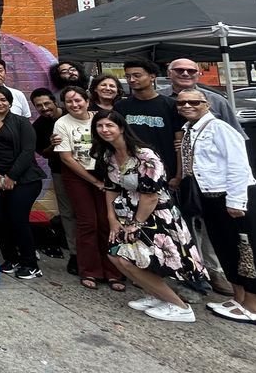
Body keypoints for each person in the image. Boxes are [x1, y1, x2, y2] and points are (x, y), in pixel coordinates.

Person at [93, 109, 206, 323]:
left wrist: (136, 224)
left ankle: (180, 307)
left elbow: (151, 196)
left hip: (154, 216)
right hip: (127, 214)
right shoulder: (109, 155)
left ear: (121, 128)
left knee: (129, 259)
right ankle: (158, 296)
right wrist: (111, 218)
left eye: (109, 125)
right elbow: (111, 187)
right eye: (100, 126)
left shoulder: (145, 155)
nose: (104, 130)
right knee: (117, 255)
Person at [174, 90, 256, 325]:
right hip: (210, 197)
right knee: (225, 248)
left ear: (206, 104)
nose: (187, 105)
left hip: (233, 196)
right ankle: (239, 299)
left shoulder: (221, 128)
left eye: (194, 102)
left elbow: (238, 166)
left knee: (245, 251)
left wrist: (236, 201)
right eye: (182, 102)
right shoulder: (189, 130)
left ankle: (255, 307)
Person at [161, 57, 243, 296]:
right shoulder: (165, 100)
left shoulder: (216, 100)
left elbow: (237, 141)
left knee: (213, 228)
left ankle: (213, 270)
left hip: (214, 181)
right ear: (169, 73)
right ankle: (191, 269)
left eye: (190, 70)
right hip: (179, 176)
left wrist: (238, 190)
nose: (185, 73)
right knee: (184, 225)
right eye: (179, 70)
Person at [53, 86, 124, 291]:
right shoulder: (62, 123)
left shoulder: (100, 119)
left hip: (106, 173)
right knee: (87, 222)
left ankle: (114, 271)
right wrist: (94, 182)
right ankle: (90, 270)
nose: (75, 105)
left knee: (108, 222)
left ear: (87, 100)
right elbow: (66, 158)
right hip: (77, 176)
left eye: (78, 100)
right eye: (69, 102)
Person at [0, 85, 45, 280]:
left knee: (18, 219)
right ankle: (11, 258)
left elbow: (27, 151)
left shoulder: (22, 123)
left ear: (10, 102)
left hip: (24, 179)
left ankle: (30, 263)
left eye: (3, 100)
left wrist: (11, 176)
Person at [114, 61, 182, 190]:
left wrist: (178, 175)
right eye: (128, 76)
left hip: (166, 170)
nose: (132, 80)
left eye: (137, 75)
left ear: (152, 76)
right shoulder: (121, 107)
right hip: (133, 170)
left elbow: (179, 142)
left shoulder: (170, 105)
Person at [31, 88, 74, 266]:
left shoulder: (71, 114)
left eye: (47, 103)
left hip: (89, 170)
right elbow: (44, 154)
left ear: (54, 102)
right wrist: (52, 145)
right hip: (60, 170)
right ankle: (75, 254)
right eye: (39, 106)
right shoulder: (39, 126)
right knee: (68, 213)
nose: (44, 108)